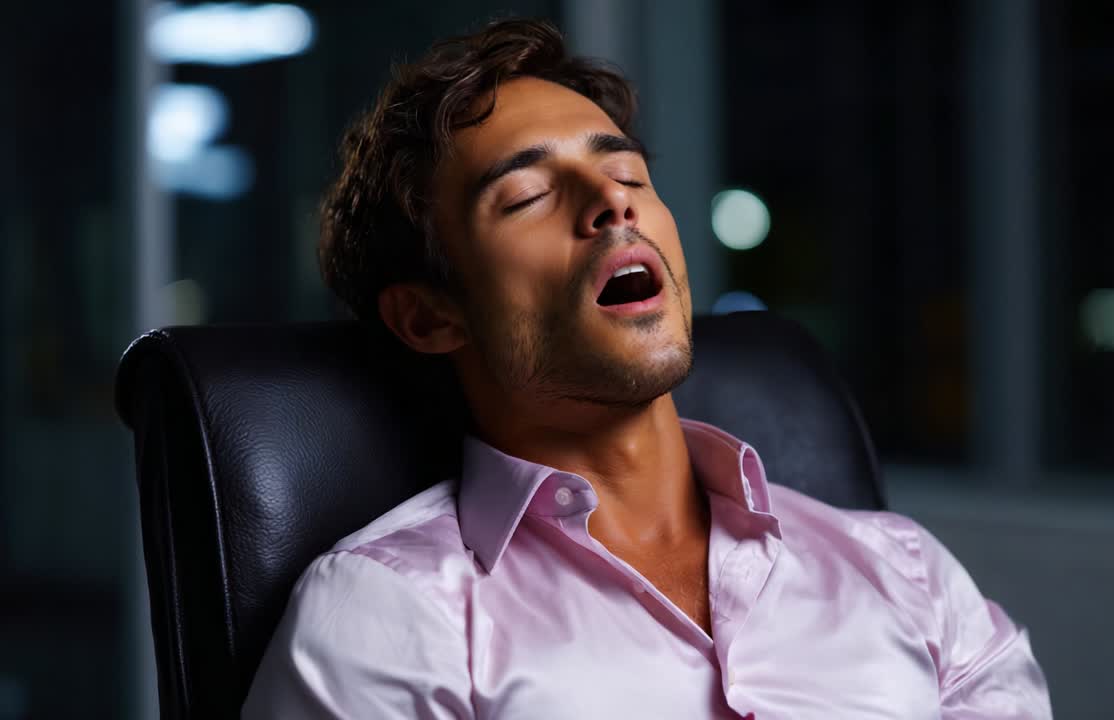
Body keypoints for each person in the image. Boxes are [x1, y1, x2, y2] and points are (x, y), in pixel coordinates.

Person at [243, 18, 1052, 719]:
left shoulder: (905, 572)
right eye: (526, 196)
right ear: (429, 316)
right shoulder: (384, 616)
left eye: (628, 174)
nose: (612, 201)